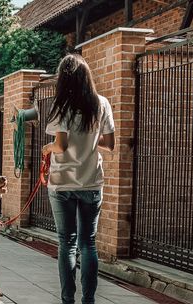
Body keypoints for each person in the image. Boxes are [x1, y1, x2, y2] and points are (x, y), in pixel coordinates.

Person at [42, 53, 115, 304]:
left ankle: (67, 300)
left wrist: (47, 149)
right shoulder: (101, 103)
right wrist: (92, 140)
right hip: (92, 182)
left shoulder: (61, 105)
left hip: (62, 183)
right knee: (88, 243)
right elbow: (110, 144)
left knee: (67, 243)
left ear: (63, 79)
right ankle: (89, 300)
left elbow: (60, 146)